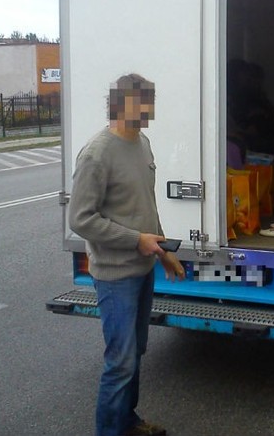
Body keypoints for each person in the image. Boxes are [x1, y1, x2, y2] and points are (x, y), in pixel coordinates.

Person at [68, 73, 185, 436]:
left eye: (148, 102)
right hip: (115, 275)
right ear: (117, 104)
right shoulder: (97, 154)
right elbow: (81, 219)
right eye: (139, 102)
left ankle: (128, 423)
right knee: (120, 361)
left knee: (136, 353)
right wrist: (136, 240)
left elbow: (145, 207)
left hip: (144, 267)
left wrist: (163, 251)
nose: (146, 109)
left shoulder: (141, 143)